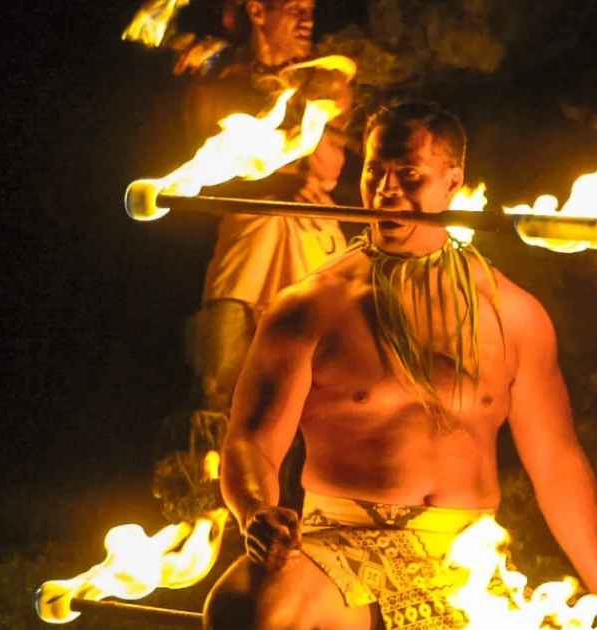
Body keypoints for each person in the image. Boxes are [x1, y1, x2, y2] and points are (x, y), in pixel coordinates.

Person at [203, 101, 597, 629]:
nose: (387, 191)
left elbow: (558, 468)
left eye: (408, 174)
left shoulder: (514, 315)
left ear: (453, 181)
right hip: (341, 543)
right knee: (250, 602)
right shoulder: (312, 306)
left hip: (463, 558)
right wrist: (255, 510)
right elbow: (251, 442)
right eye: (375, 172)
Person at [147, 0, 354, 518]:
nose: (308, 19)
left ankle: (322, 510)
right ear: (258, 11)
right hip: (251, 234)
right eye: (294, 8)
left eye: (311, 8)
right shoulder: (221, 78)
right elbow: (213, 156)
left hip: (312, 234)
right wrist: (284, 176)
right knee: (227, 378)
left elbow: (329, 162)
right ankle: (217, 517)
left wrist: (305, 132)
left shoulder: (325, 79)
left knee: (328, 371)